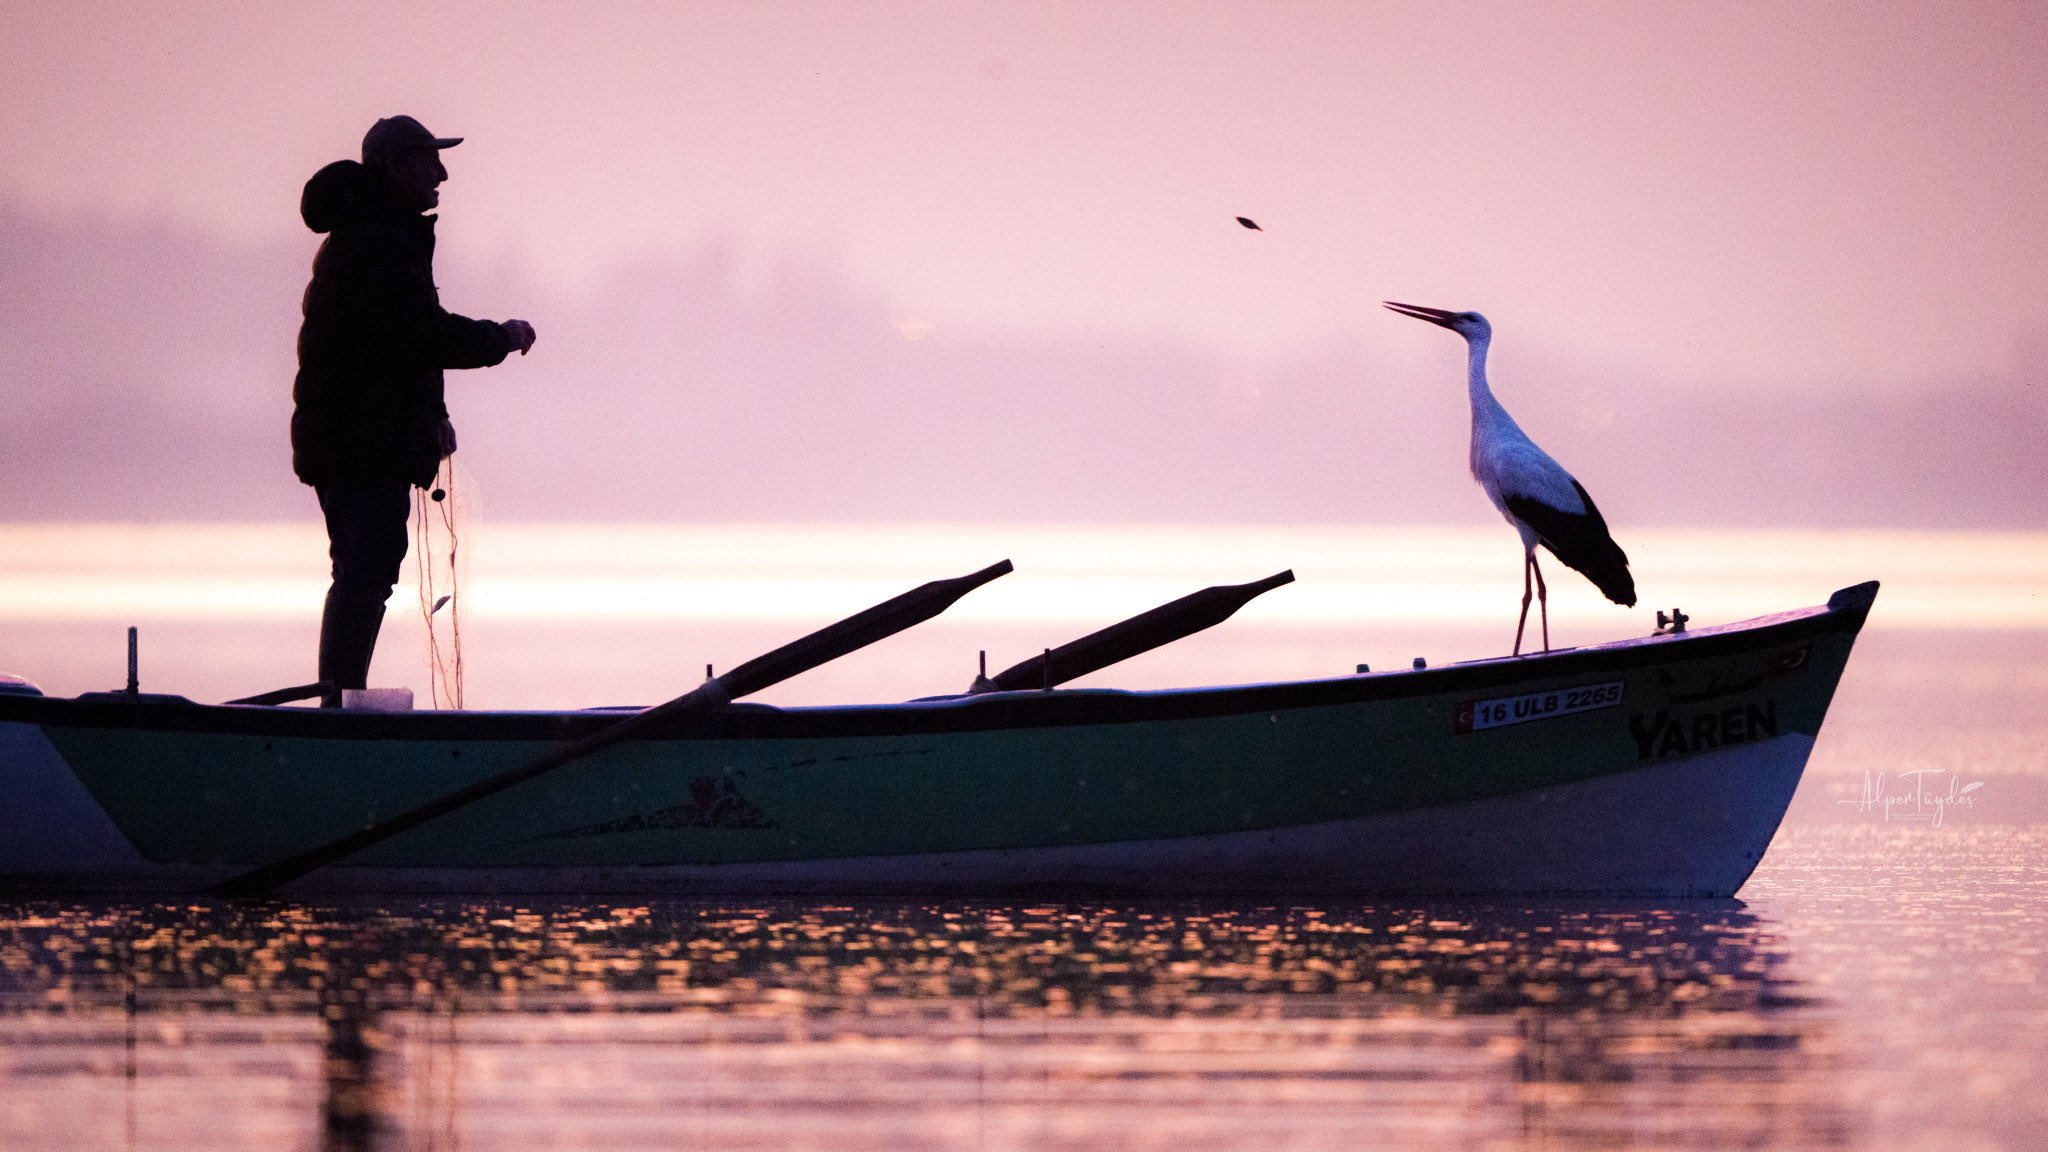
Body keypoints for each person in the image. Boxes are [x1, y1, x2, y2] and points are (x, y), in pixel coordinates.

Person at [292, 115, 537, 706]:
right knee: (366, 567)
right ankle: (338, 707)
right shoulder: (381, 239)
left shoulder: (376, 232)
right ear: (396, 168)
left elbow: (393, 349)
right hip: (357, 440)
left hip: (353, 436)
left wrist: (432, 418)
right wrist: (498, 337)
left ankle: (339, 701)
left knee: (365, 565)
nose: (442, 174)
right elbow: (418, 335)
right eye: (430, 160)